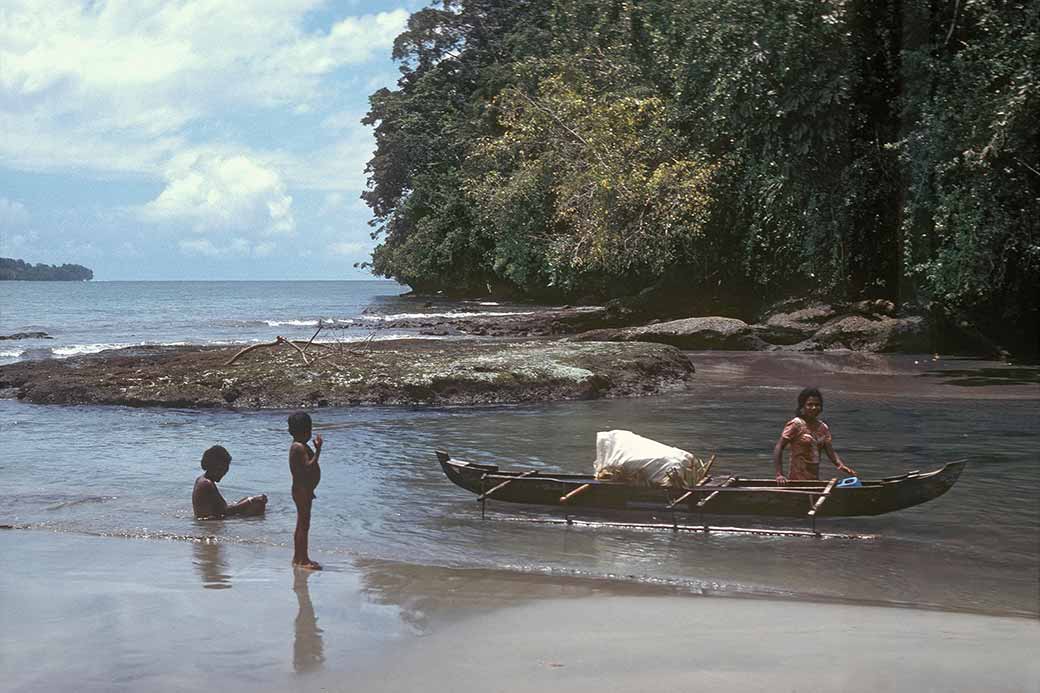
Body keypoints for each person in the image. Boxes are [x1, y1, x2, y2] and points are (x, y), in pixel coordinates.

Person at [772, 387, 856, 485]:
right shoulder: (796, 424)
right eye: (810, 404)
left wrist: (840, 465)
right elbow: (779, 447)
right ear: (802, 406)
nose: (814, 408)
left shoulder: (823, 427)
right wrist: (779, 474)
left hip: (814, 479)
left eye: (817, 405)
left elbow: (830, 451)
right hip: (796, 480)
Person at [192, 445, 267, 519]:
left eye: (225, 468)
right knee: (257, 504)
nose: (224, 472)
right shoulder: (206, 484)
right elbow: (225, 511)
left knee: (254, 502)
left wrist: (248, 500)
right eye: (221, 469)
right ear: (214, 466)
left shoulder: (202, 480)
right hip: (210, 521)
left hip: (213, 518)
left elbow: (221, 508)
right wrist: (251, 500)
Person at [288, 412, 323, 570]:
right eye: (307, 431)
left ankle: (299, 557)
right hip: (301, 490)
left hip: (304, 489)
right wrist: (318, 451)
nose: (309, 435)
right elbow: (308, 467)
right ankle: (303, 559)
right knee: (303, 524)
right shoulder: (298, 447)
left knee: (302, 523)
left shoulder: (300, 446)